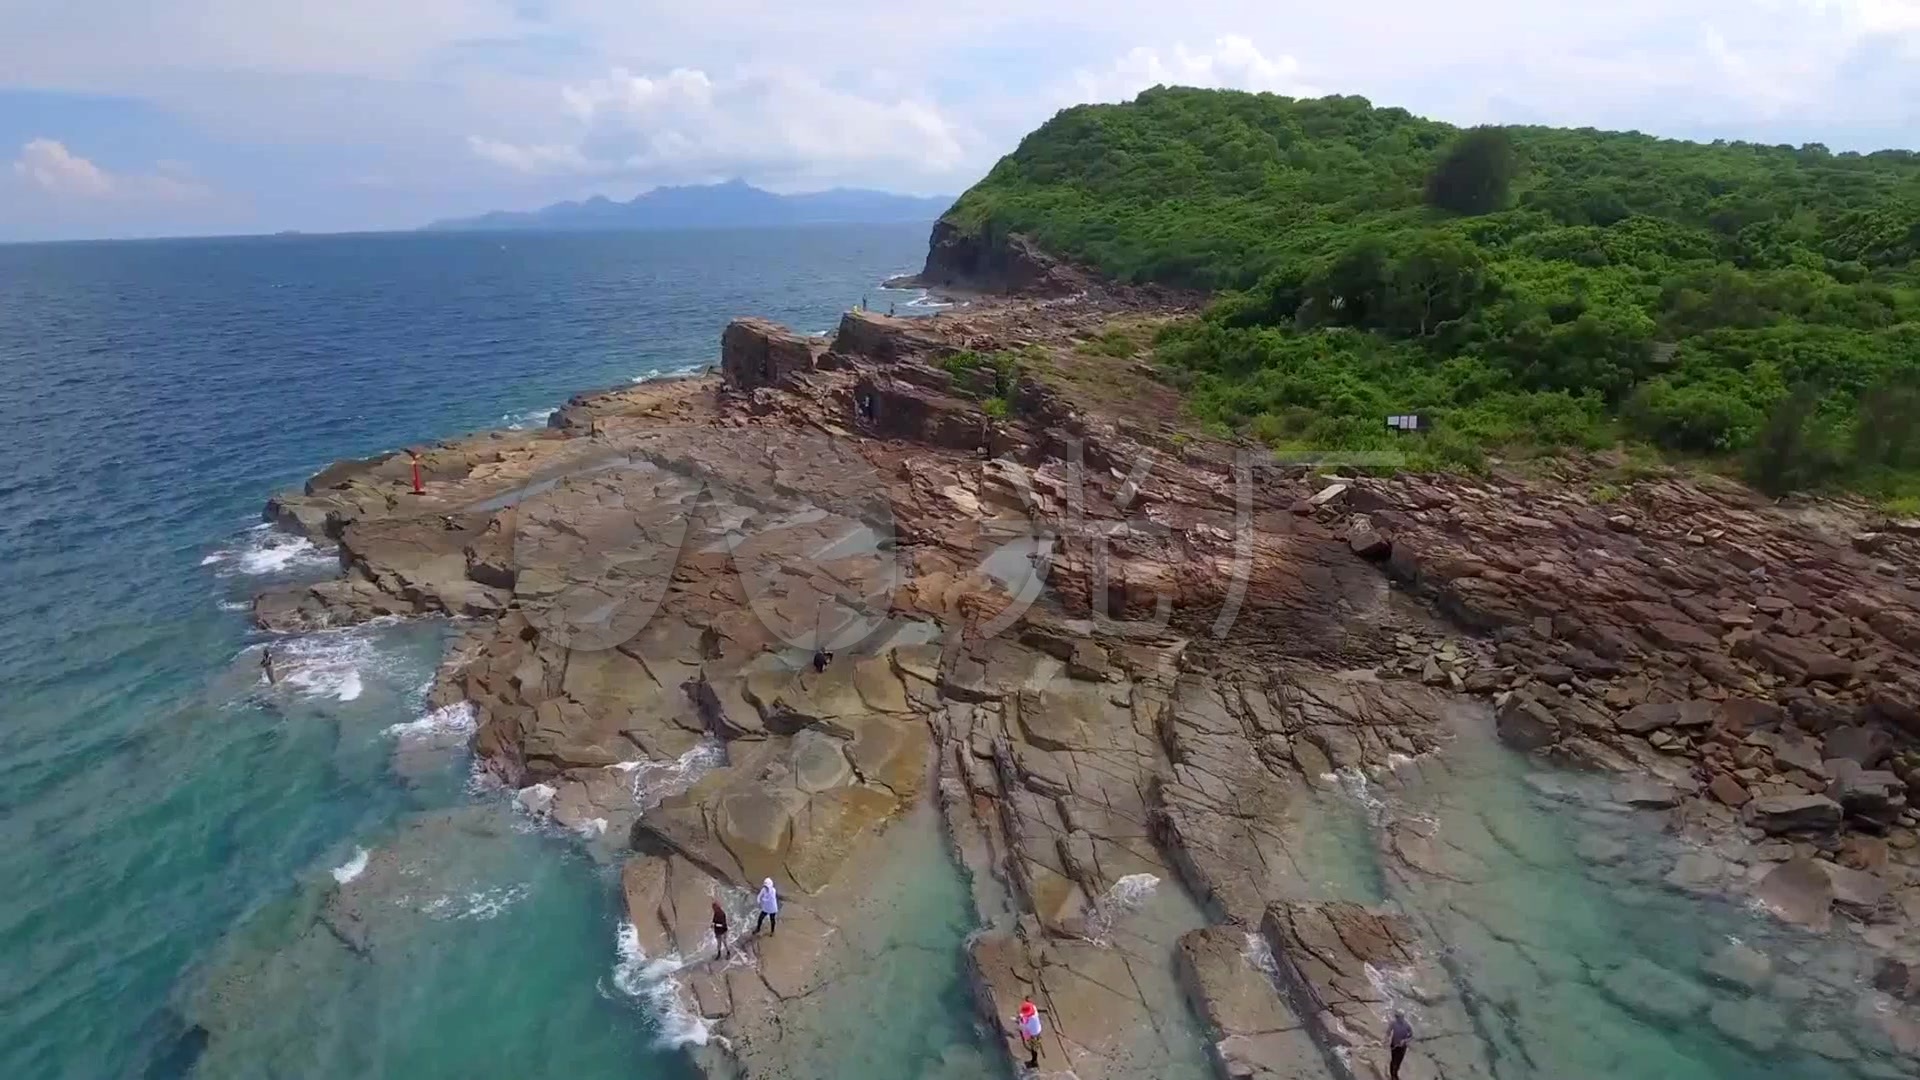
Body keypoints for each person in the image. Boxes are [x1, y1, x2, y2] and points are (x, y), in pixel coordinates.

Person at [1014, 997, 1043, 1069]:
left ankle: (1034, 1062)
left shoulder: (1031, 1020)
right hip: (1037, 1030)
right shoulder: (1034, 1010)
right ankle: (1034, 1060)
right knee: (1034, 1046)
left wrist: (1018, 1021)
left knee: (1034, 1048)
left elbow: (1024, 1025)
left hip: (1034, 1034)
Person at [1388, 1010, 1413, 1080]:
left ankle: (1395, 1072)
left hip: (1402, 1047)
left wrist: (1405, 1040)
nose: (1396, 1018)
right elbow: (1388, 1031)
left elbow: (1411, 1036)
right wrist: (1386, 1039)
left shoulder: (1408, 1025)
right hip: (1394, 1045)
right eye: (1396, 1016)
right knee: (1393, 1060)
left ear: (1402, 1017)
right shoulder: (1393, 1023)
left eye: (1397, 1016)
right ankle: (1392, 1075)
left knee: (1399, 1062)